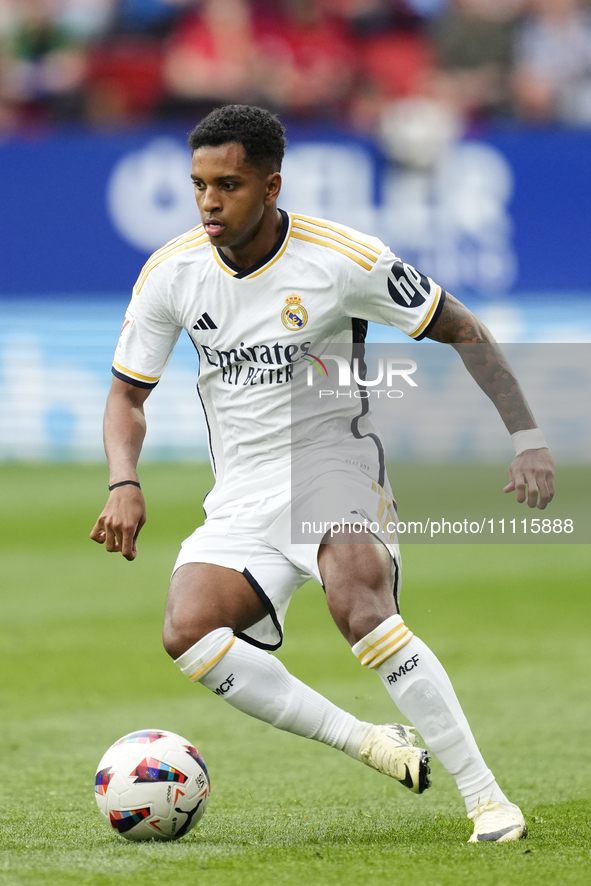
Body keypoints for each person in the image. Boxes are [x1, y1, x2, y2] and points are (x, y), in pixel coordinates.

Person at [90, 104, 554, 843]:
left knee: (360, 610)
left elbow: (461, 325)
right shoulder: (171, 272)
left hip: (333, 464)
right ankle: (367, 740)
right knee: (189, 633)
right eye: (198, 184)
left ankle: (485, 799)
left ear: (271, 186)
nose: (209, 201)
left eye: (228, 185)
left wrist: (526, 436)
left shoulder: (342, 259)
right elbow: (126, 394)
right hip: (241, 493)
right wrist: (124, 480)